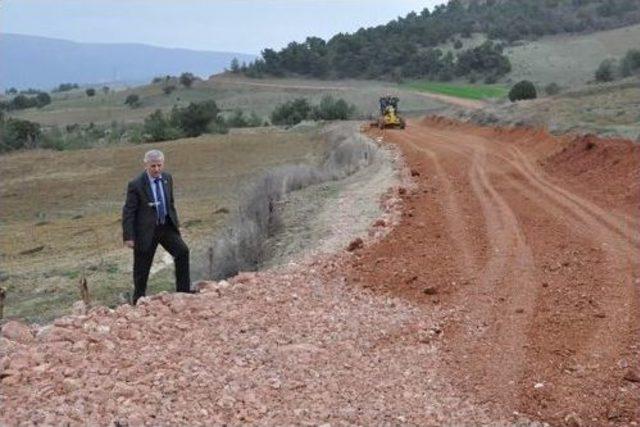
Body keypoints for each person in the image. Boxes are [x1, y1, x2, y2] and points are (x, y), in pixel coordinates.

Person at [122, 149, 191, 304]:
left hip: (165, 227)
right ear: (146, 165)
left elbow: (170, 204)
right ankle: (138, 300)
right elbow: (128, 212)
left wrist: (176, 225)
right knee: (142, 267)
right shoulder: (136, 184)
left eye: (159, 165)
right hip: (146, 231)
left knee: (182, 252)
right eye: (153, 166)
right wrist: (129, 236)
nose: (157, 169)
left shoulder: (167, 178)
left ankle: (184, 292)